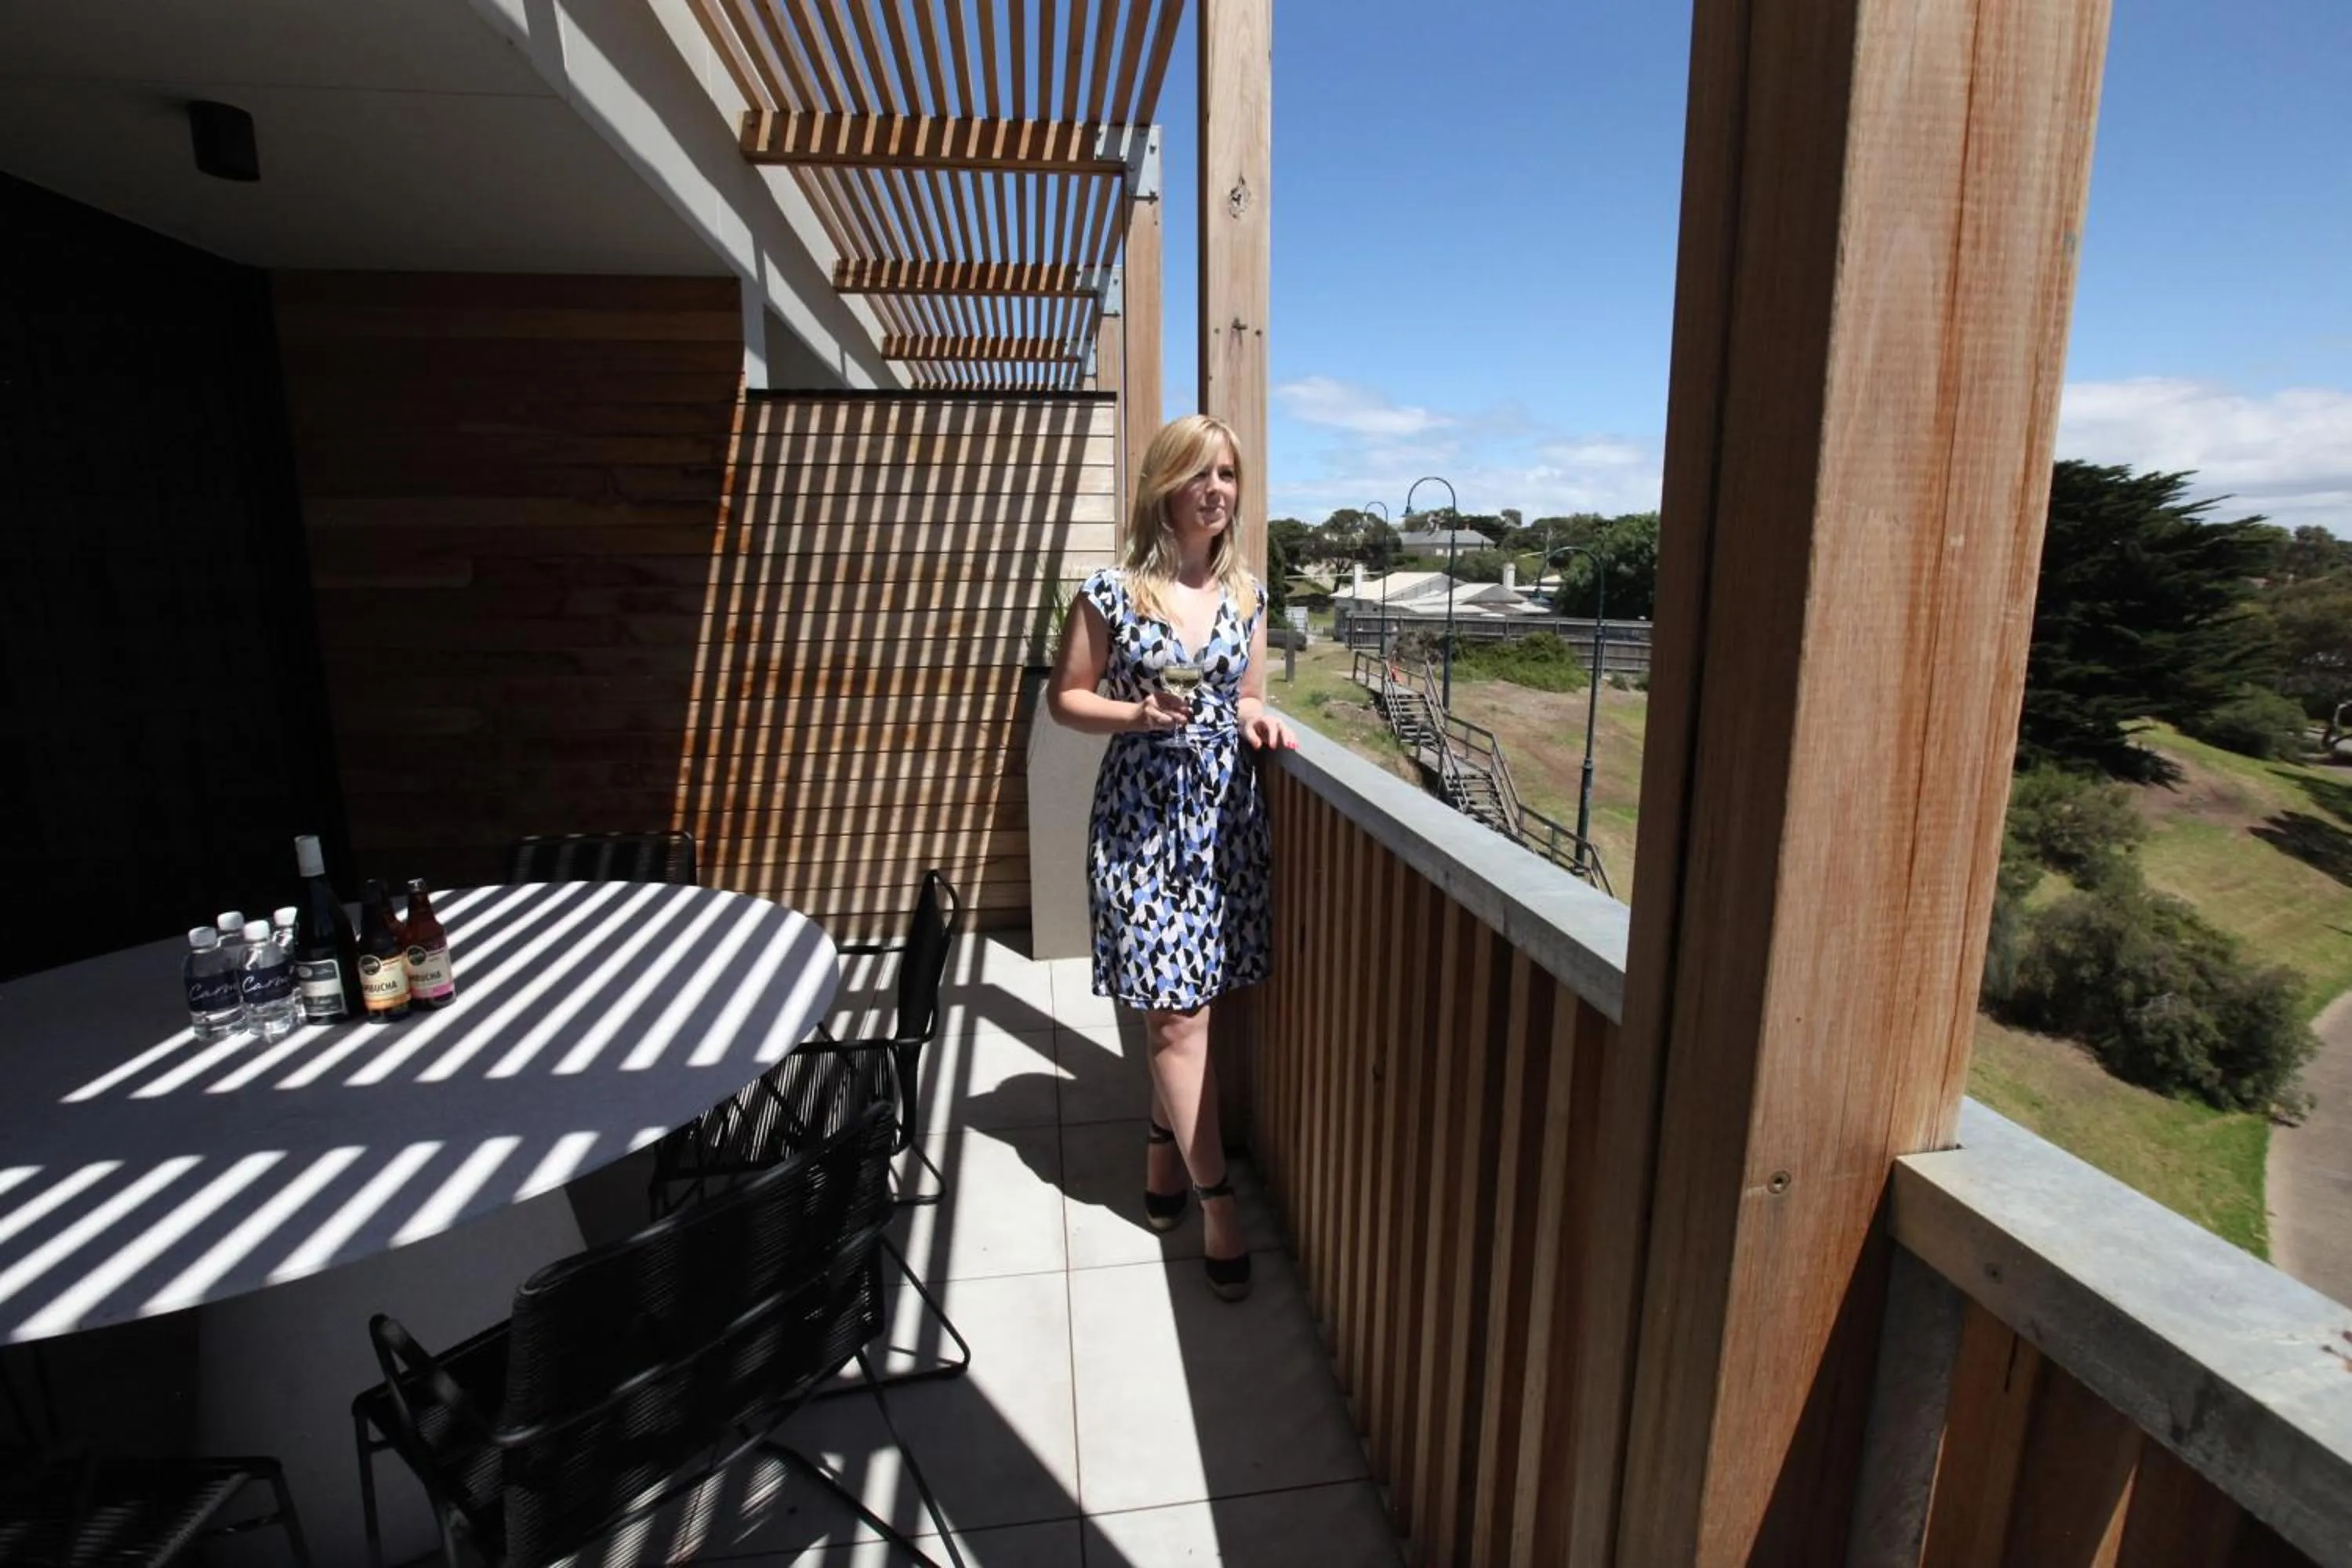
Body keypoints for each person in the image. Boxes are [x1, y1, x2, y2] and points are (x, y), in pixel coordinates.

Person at [1047, 414, 1296, 1302]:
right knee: (1176, 1019)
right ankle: (1218, 1201)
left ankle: (1161, 1152)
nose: (1217, 489)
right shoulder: (1113, 591)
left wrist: (1259, 716)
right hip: (1140, 821)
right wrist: (1136, 715)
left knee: (1189, 1011)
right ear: (1166, 485)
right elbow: (1066, 699)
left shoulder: (1248, 597)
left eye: (1228, 473)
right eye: (1200, 473)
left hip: (1222, 824)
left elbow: (1249, 692)